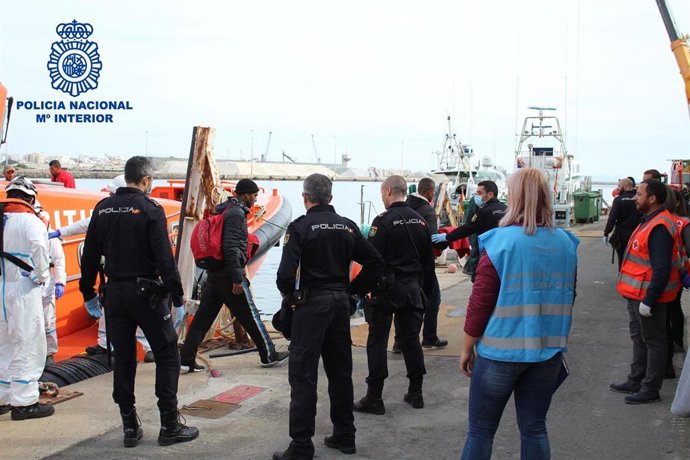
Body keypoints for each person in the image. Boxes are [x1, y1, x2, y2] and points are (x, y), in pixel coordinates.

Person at [459, 168, 578, 459]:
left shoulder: (500, 242)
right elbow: (569, 294)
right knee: (534, 428)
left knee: (481, 431)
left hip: (500, 353)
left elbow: (480, 303)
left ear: (513, 197)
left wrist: (467, 348)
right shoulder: (566, 243)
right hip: (547, 352)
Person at [79, 156, 198, 447]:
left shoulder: (102, 208)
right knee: (167, 353)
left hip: (115, 295)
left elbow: (90, 255)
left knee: (123, 356)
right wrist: (177, 297)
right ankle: (169, 424)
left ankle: (130, 427)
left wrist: (88, 293)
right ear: (146, 180)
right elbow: (165, 259)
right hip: (147, 295)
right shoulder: (150, 209)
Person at [273, 173, 384, 460]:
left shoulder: (300, 227)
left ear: (305, 197)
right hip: (339, 304)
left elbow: (284, 275)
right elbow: (375, 262)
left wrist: (291, 298)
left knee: (303, 377)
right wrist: (353, 293)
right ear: (331, 197)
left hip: (311, 306)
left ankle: (301, 446)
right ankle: (345, 435)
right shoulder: (347, 226)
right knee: (340, 373)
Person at [180, 178, 288, 371]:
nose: (255, 200)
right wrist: (237, 278)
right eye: (254, 196)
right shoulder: (237, 214)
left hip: (215, 275)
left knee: (202, 319)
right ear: (245, 195)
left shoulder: (225, 210)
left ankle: (186, 360)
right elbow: (231, 248)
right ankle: (268, 355)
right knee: (252, 317)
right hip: (229, 277)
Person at [49, 175, 154, 362]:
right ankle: (106, 344)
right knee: (109, 308)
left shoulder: (141, 211)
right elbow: (87, 224)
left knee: (141, 311)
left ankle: (147, 347)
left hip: (138, 273)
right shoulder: (111, 211)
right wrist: (62, 232)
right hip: (118, 272)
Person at [354, 175, 435, 415]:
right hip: (412, 290)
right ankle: (416, 392)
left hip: (386, 291)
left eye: (382, 193)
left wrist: (357, 291)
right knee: (411, 340)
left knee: (377, 341)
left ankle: (374, 397)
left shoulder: (382, 221)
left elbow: (372, 260)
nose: (382, 197)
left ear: (388, 191)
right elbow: (428, 263)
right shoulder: (421, 221)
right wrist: (427, 293)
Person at [611, 179, 680, 404]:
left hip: (648, 297)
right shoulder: (649, 220)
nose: (635, 198)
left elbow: (662, 268)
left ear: (652, 199)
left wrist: (649, 300)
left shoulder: (659, 226)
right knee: (640, 338)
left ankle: (650, 389)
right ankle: (636, 379)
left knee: (653, 341)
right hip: (636, 294)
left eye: (639, 194)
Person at [0, 176, 54, 419]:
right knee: (28, 342)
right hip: (23, 289)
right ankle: (24, 402)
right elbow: (40, 249)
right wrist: (41, 276)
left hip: (1, 287)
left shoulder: (2, 218)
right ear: (31, 199)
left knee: (4, 343)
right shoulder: (31, 221)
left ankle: (2, 396)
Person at [431, 180, 507, 280]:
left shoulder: (484, 212)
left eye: (479, 193)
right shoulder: (506, 209)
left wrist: (447, 236)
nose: (476, 195)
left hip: (489, 255)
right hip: (505, 255)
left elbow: (468, 228)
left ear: (490, 194)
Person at [405, 177, 447, 349]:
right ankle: (429, 337)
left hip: (404, 264)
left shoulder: (405, 207)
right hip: (423, 265)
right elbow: (432, 239)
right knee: (432, 299)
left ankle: (401, 341)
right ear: (430, 192)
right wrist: (446, 240)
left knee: (407, 304)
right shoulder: (427, 211)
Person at [34, 199, 67, 365]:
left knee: (48, 319)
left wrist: (60, 282)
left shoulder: (49, 234)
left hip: (46, 281)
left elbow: (59, 259)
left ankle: (49, 353)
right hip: (26, 281)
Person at [664, 189, 689, 377]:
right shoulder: (680, 222)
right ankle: (677, 341)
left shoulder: (675, 222)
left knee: (670, 313)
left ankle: (671, 353)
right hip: (677, 274)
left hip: (674, 275)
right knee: (673, 309)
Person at [603, 178, 642, 270]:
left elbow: (612, 219)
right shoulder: (640, 199)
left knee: (622, 257)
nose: (618, 188)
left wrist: (606, 233)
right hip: (638, 233)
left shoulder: (619, 200)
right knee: (636, 258)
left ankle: (622, 273)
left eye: (619, 186)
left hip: (622, 234)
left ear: (625, 186)